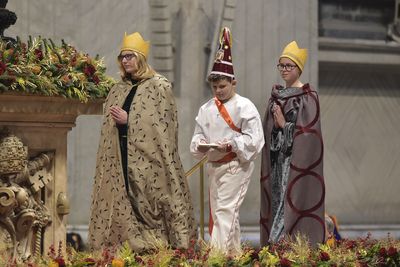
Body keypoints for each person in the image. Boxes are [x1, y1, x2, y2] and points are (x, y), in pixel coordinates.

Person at [88, 32, 196, 251]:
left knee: (150, 199)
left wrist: (130, 121)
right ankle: (129, 248)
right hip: (121, 155)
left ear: (141, 58)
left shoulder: (159, 86)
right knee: (125, 198)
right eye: (122, 57)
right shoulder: (119, 89)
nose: (125, 60)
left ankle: (160, 247)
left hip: (149, 159)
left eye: (130, 56)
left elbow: (164, 126)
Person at [190, 27, 264, 255]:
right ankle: (234, 255)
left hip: (235, 165)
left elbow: (255, 139)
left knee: (224, 211)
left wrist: (232, 144)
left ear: (234, 82)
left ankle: (216, 258)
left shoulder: (245, 106)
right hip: (214, 166)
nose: (218, 91)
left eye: (222, 86)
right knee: (224, 212)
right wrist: (201, 143)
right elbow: (196, 136)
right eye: (214, 87)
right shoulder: (206, 108)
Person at [260, 41, 325, 247]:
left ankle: (282, 245)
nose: (285, 70)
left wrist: (283, 125)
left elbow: (308, 137)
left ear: (299, 68)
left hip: (296, 165)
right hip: (277, 163)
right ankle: (276, 245)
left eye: (290, 66)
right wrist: (275, 129)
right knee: (277, 202)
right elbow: (267, 133)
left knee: (291, 204)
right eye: (282, 65)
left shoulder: (307, 97)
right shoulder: (275, 97)